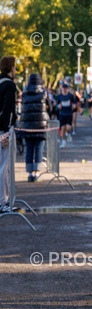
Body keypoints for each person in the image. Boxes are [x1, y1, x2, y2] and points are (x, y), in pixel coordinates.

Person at [16, 73, 49, 181]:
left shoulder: (24, 94)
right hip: (40, 125)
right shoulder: (43, 93)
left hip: (27, 125)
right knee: (39, 149)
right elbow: (50, 107)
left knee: (29, 149)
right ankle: (37, 172)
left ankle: (30, 173)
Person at [0, 56, 18, 208]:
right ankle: (3, 201)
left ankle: (5, 201)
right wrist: (6, 132)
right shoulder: (10, 86)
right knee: (5, 166)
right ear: (12, 68)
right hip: (5, 130)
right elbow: (8, 111)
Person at [56, 82, 78, 146]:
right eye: (63, 88)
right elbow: (57, 104)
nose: (64, 89)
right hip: (62, 113)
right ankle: (63, 142)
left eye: (66, 88)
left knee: (68, 128)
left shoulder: (70, 96)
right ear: (62, 89)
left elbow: (74, 102)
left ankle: (68, 134)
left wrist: (74, 105)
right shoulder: (59, 96)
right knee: (63, 128)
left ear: (67, 89)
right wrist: (58, 106)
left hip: (69, 113)